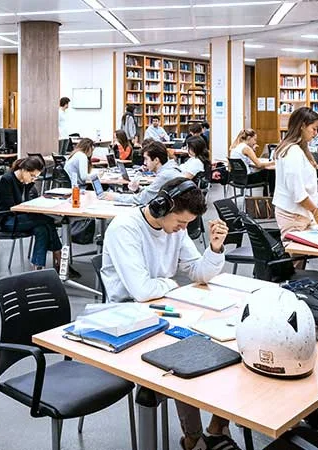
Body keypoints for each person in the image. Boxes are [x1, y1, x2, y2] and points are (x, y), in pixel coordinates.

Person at [99, 177, 232, 450]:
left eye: (186, 225)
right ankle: (194, 439)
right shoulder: (125, 228)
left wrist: (215, 248)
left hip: (165, 306)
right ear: (161, 207)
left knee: (225, 341)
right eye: (180, 223)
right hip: (128, 315)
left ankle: (218, 425)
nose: (181, 230)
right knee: (185, 353)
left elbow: (197, 272)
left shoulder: (177, 230)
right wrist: (173, 283)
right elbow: (141, 290)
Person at [274, 108, 318, 233]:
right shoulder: (293, 152)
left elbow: (309, 189)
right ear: (302, 126)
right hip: (293, 215)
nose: (316, 133)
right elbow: (298, 192)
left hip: (301, 214)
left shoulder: (299, 149)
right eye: (314, 128)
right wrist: (317, 213)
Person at [0, 156, 63, 271]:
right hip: (8, 220)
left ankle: (38, 268)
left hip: (22, 218)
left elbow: (26, 202)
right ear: (23, 170)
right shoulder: (7, 180)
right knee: (48, 219)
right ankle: (60, 259)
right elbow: (11, 207)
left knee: (41, 229)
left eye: (36, 177)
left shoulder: (26, 182)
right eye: (32, 176)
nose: (33, 179)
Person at [101, 141, 183, 206]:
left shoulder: (165, 175)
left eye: (146, 159)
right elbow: (153, 192)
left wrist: (114, 197)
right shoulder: (170, 169)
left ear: (156, 160)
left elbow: (141, 199)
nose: (144, 163)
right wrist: (138, 189)